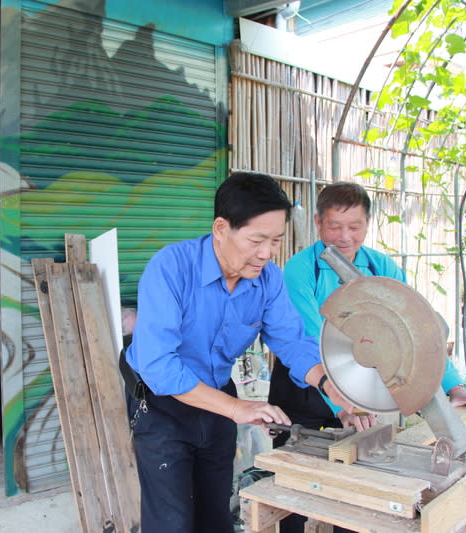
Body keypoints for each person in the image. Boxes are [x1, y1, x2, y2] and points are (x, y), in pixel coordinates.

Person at [123, 172, 354, 533]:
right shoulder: (171, 267)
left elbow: (291, 340)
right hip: (161, 404)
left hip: (217, 396)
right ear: (220, 228)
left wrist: (328, 383)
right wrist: (236, 408)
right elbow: (159, 367)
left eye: (276, 240)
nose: (266, 253)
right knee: (172, 521)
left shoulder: (268, 279)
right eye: (256, 240)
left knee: (216, 514)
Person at [269, 181, 466, 533]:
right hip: (306, 387)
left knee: (356, 492)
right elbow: (310, 340)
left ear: (367, 224)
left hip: (361, 389)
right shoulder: (301, 270)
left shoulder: (382, 269)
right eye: (335, 226)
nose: (345, 236)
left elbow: (417, 334)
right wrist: (342, 406)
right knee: (294, 489)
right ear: (317, 222)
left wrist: (453, 387)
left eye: (355, 226)